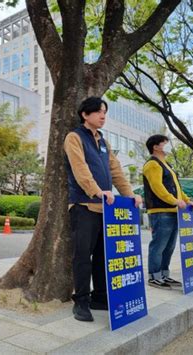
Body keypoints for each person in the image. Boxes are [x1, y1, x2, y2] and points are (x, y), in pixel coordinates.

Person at [64, 97, 143, 322]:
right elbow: (79, 169)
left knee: (102, 255)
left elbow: (116, 171)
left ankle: (100, 297)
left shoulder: (103, 142)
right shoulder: (74, 137)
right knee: (82, 256)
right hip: (83, 205)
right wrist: (97, 191)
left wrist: (130, 195)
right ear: (85, 114)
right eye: (98, 112)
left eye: (105, 112)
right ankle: (80, 301)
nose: (103, 116)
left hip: (105, 210)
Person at [143, 135, 193, 290]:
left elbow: (177, 188)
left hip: (173, 211)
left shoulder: (166, 164)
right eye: (165, 143)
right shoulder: (152, 164)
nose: (168, 145)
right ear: (156, 146)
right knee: (159, 245)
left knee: (169, 246)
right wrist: (174, 201)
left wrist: (187, 201)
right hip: (161, 211)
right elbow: (157, 188)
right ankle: (154, 276)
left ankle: (164, 274)